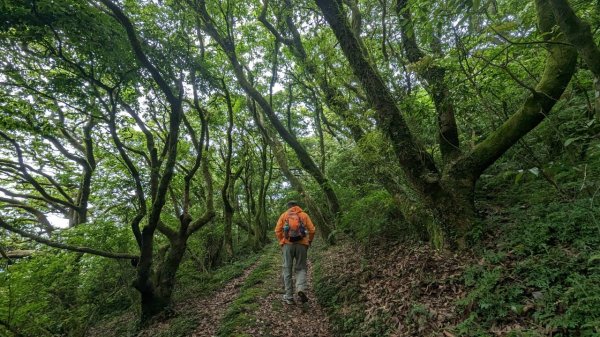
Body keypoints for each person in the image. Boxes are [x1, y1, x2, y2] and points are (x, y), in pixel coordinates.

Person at [274, 200, 316, 305]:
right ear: (297, 206)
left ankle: (289, 297)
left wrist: (282, 242)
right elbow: (312, 230)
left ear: (288, 207)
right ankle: (301, 288)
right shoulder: (304, 215)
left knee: (287, 268)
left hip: (288, 245)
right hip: (302, 245)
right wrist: (309, 241)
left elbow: (277, 230)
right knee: (301, 268)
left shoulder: (284, 215)